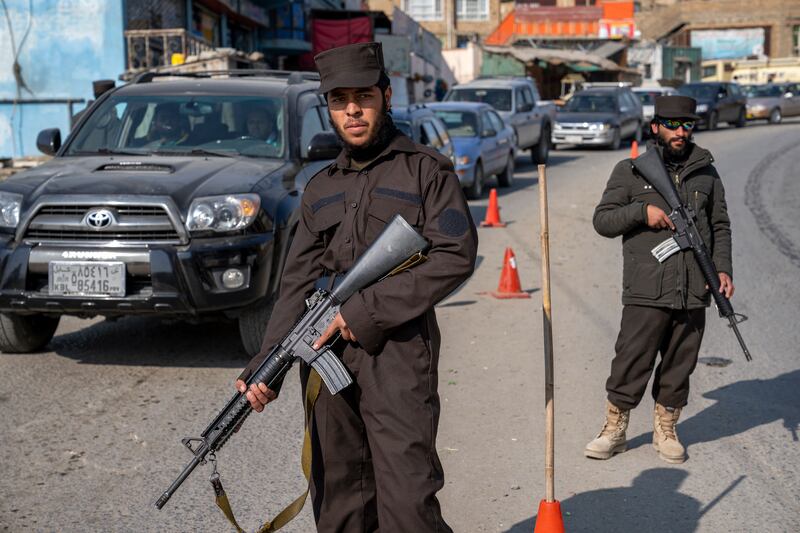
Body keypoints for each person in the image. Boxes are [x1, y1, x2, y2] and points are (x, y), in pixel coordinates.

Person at [236, 41, 477, 532]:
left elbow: (455, 255)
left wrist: (362, 311)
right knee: (340, 497)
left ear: (385, 96)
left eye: (363, 97)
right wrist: (267, 367)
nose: (352, 110)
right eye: (339, 100)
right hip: (327, 360)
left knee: (407, 499)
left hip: (399, 353)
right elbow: (296, 283)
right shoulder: (320, 186)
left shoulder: (426, 171)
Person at [585, 95, 733, 464]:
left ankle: (666, 428)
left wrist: (723, 269)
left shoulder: (706, 172)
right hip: (646, 288)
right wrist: (641, 212)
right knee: (631, 360)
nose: (680, 132)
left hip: (694, 288)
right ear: (655, 127)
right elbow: (603, 220)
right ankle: (614, 430)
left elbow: (720, 226)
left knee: (680, 363)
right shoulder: (631, 171)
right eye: (672, 125)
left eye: (687, 125)